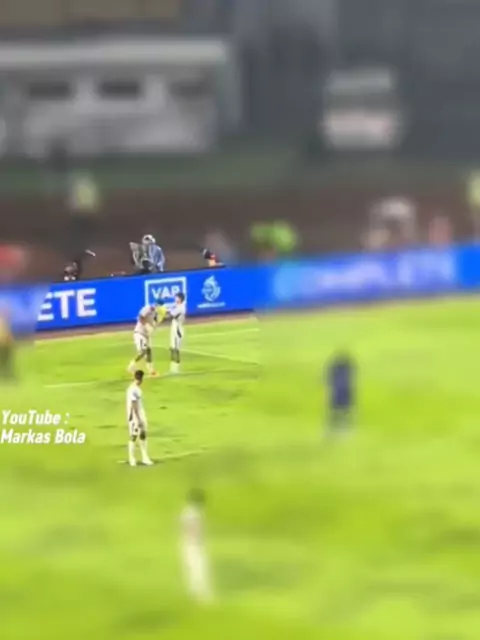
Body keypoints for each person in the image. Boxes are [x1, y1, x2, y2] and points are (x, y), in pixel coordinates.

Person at [180, 489, 213, 603]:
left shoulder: (186, 512)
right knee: (200, 569)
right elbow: (194, 529)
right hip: (194, 545)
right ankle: (202, 596)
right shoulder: (195, 513)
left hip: (186, 544)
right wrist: (198, 542)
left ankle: (194, 593)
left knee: (192, 569)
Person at [128, 301, 167, 376]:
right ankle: (131, 365)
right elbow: (140, 317)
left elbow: (156, 321)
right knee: (143, 351)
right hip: (139, 333)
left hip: (146, 335)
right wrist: (146, 325)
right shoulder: (147, 309)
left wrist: (154, 325)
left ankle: (150, 370)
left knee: (148, 351)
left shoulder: (156, 313)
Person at [126, 370, 154, 467]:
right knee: (134, 436)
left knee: (142, 434)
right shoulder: (133, 390)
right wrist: (138, 419)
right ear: (142, 379)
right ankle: (132, 459)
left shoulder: (135, 388)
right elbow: (134, 405)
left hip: (139, 415)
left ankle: (144, 458)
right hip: (135, 416)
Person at [325, 352, 356, 434]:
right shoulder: (345, 369)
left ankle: (339, 424)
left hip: (340, 391)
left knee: (339, 407)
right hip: (342, 390)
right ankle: (338, 424)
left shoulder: (341, 369)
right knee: (340, 407)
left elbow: (329, 379)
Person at [168, 293, 186, 374]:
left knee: (176, 349)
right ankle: (172, 368)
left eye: (177, 297)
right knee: (172, 348)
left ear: (180, 299)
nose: (175, 298)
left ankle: (176, 368)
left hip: (178, 329)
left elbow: (171, 315)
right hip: (174, 327)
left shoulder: (181, 308)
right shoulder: (177, 306)